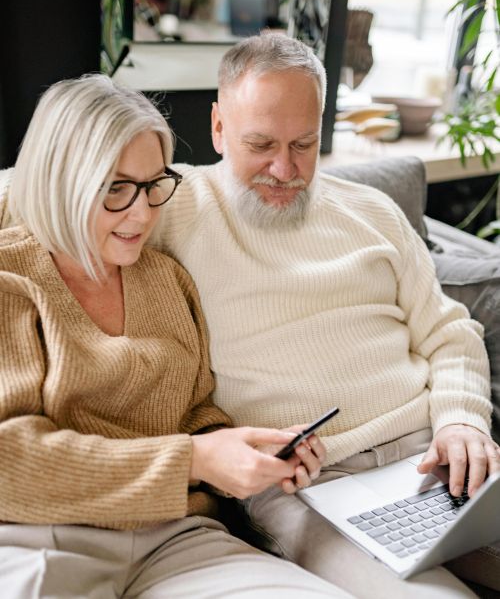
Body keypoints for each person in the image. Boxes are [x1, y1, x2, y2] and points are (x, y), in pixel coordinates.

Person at [143, 34, 499, 598]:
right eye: (259, 144)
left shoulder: (373, 212)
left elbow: (450, 332)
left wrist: (462, 420)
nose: (284, 169)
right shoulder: (167, 205)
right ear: (217, 127)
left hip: (432, 454)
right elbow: (36, 194)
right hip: (308, 485)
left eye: (303, 144)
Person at [0, 74, 352, 598]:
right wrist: (192, 459)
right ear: (59, 181)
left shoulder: (166, 280)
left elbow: (196, 417)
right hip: (44, 539)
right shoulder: (13, 281)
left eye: (152, 184)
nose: (142, 213)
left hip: (177, 539)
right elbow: (10, 462)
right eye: (115, 188)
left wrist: (252, 457)